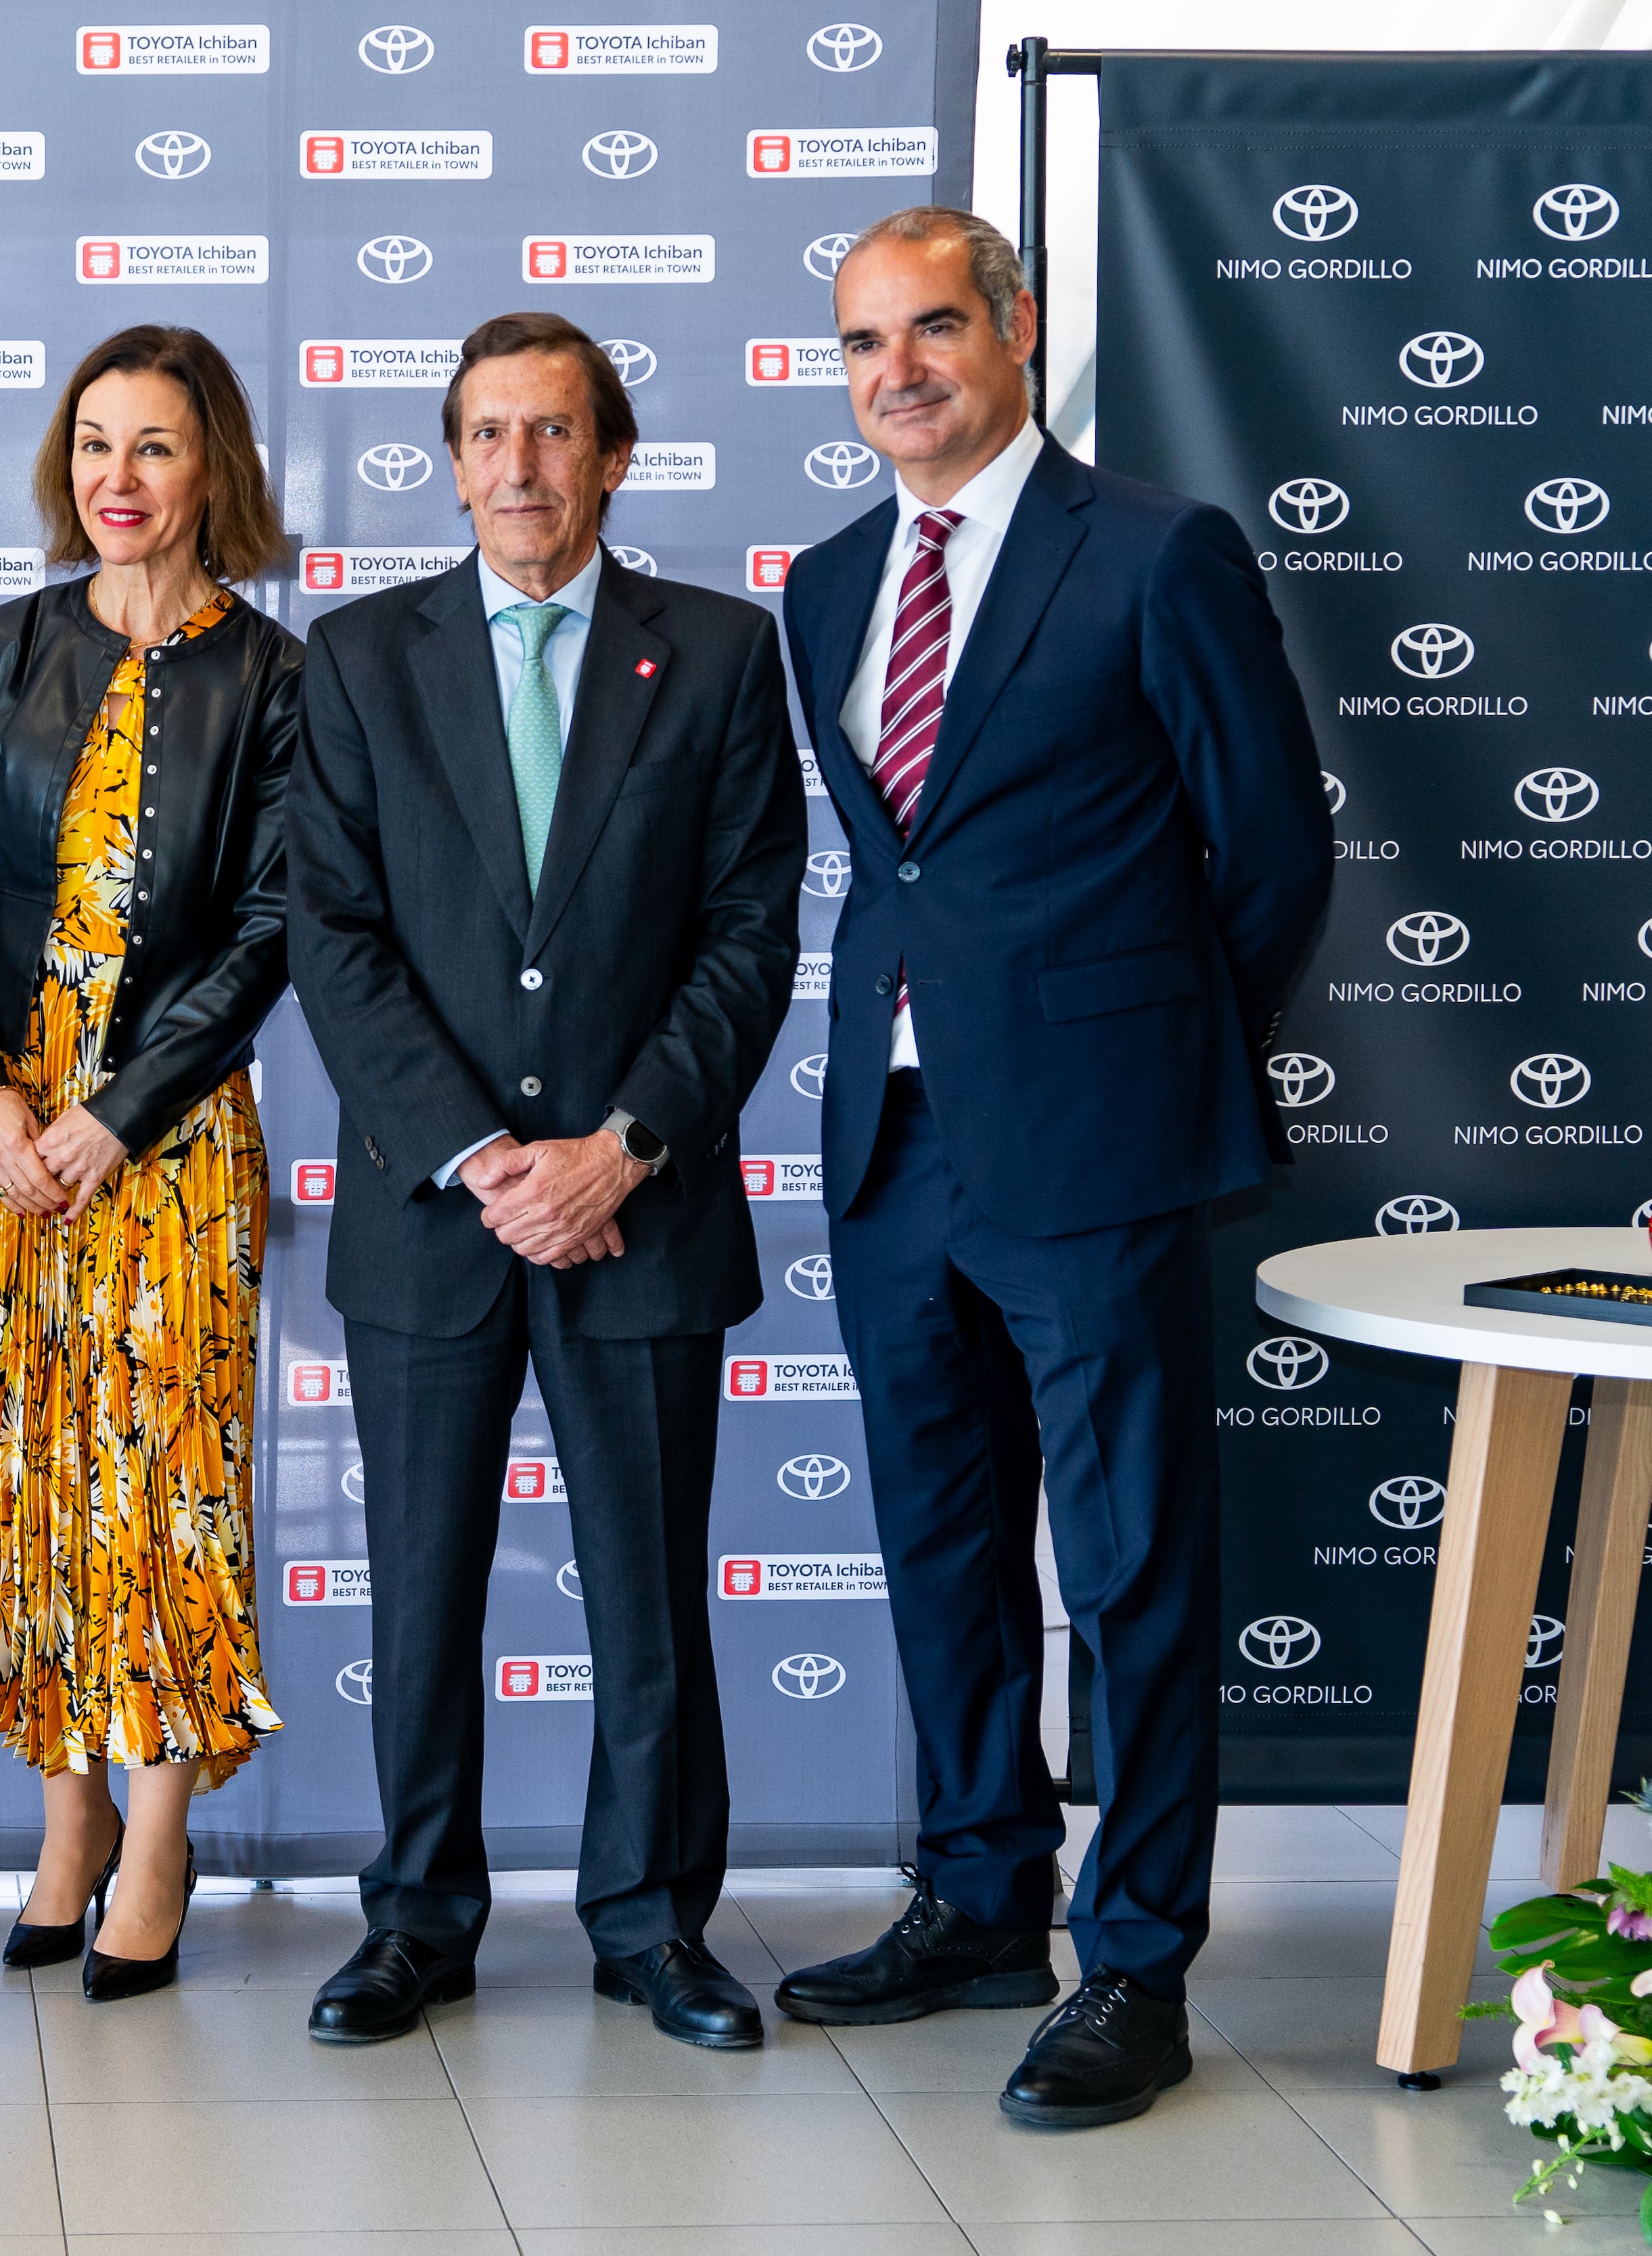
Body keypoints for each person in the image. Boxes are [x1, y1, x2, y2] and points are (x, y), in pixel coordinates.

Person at [772, 208, 1331, 2127]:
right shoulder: (831, 582)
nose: (896, 372)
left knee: (1130, 1560)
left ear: (1016, 332)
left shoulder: (1159, 552)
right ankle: (983, 1893)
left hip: (1097, 1140)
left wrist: (1131, 1052)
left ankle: (1143, 1955)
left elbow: (1268, 863)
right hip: (897, 1138)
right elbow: (897, 859)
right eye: (862, 343)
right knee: (943, 1542)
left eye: (932, 328)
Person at [284, 311, 806, 2051]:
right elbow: (334, 937)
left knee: (647, 1584)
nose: (519, 467)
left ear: (612, 456)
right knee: (420, 1584)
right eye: (489, 436)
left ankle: (653, 1924)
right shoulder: (356, 658)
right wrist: (486, 1150)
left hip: (639, 1203)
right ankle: (418, 1916)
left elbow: (748, 931)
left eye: (555, 433)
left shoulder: (722, 653)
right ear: (450, 463)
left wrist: (620, 1145)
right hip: (434, 1211)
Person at [0, 326, 298, 2002]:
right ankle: (61, 1827)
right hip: (3, 1138)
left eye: (154, 449)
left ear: (215, 472)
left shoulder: (275, 676)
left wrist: (114, 1113)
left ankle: (156, 1836)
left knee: (157, 1494)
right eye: (93, 447)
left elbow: (271, 926)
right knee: (28, 1488)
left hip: (171, 1143)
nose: (116, 482)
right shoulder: (6, 648)